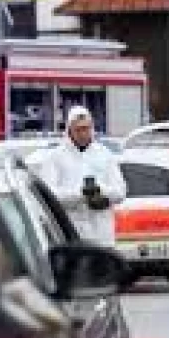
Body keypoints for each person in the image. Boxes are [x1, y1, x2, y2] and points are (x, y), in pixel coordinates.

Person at [39, 105, 127, 247]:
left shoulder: (104, 154)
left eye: (86, 128)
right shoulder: (55, 157)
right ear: (69, 131)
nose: (83, 133)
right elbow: (48, 195)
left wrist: (101, 192)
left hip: (102, 236)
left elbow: (121, 191)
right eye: (78, 129)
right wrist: (81, 194)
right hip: (70, 235)